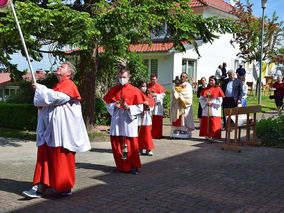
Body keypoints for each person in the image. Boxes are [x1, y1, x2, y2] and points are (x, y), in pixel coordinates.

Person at [22, 62, 91, 199]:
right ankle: (40, 187)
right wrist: (42, 97)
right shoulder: (56, 87)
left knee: (61, 158)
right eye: (59, 66)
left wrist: (41, 89)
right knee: (44, 158)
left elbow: (58, 98)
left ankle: (64, 186)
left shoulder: (69, 85)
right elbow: (48, 102)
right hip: (51, 131)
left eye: (62, 67)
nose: (59, 67)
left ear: (69, 73)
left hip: (64, 132)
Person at [103, 61, 145, 175]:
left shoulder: (135, 90)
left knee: (131, 144)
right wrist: (113, 106)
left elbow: (140, 107)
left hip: (128, 120)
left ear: (129, 78)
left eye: (124, 77)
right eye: (121, 77)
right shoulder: (114, 90)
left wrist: (129, 108)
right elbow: (107, 104)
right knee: (117, 143)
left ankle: (133, 166)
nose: (122, 79)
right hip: (117, 119)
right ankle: (121, 166)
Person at [199, 76, 225, 141]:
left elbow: (220, 100)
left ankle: (214, 136)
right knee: (207, 122)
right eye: (210, 80)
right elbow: (201, 99)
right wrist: (206, 102)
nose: (211, 81)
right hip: (206, 108)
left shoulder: (218, 89)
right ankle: (207, 136)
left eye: (212, 80)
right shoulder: (205, 89)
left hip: (214, 109)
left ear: (215, 81)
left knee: (214, 123)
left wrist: (212, 102)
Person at [170, 72, 195, 138]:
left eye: (184, 77)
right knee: (176, 118)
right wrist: (175, 93)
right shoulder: (176, 85)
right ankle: (175, 134)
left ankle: (184, 134)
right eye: (181, 76)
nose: (182, 78)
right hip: (176, 105)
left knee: (184, 119)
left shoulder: (188, 86)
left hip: (184, 105)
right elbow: (172, 94)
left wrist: (180, 96)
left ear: (186, 78)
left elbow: (189, 96)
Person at [137, 79, 155, 156]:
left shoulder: (148, 95)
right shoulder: (136, 94)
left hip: (147, 117)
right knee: (140, 133)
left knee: (147, 133)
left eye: (145, 86)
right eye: (142, 86)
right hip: (139, 116)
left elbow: (152, 105)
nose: (144, 88)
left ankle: (148, 149)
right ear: (139, 87)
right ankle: (139, 149)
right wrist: (140, 109)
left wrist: (148, 108)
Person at [147, 74, 166, 139]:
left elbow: (163, 95)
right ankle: (149, 134)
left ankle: (157, 135)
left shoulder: (160, 87)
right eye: (152, 79)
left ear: (157, 79)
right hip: (149, 105)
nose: (153, 81)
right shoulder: (147, 86)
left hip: (157, 106)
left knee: (157, 120)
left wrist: (156, 95)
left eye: (154, 79)